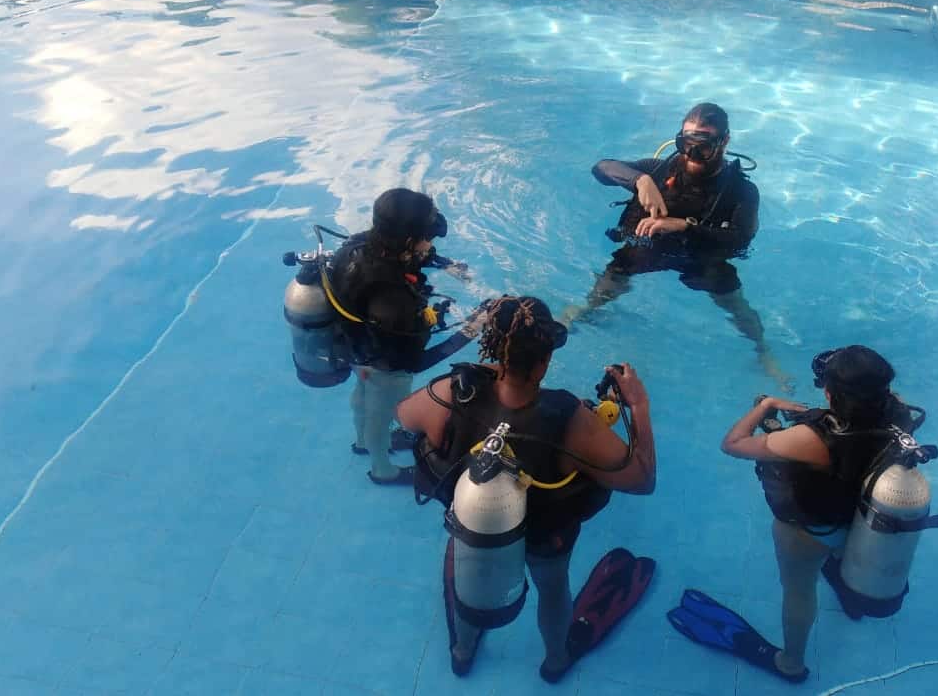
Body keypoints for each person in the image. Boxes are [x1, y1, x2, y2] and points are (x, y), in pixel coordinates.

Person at [396, 296, 657, 680]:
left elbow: (404, 416)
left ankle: (463, 650)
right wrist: (639, 406)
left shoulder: (454, 393)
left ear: (492, 347)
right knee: (552, 591)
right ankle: (555, 662)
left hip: (475, 526)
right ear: (544, 360)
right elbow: (641, 479)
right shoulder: (571, 420)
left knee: (469, 579)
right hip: (544, 538)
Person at [717, 345, 924, 681]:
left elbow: (733, 444)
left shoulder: (809, 440)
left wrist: (767, 405)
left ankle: (791, 663)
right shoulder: (901, 416)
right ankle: (853, 593)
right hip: (864, 521)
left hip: (811, 534)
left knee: (798, 589)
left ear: (829, 393)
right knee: (841, 554)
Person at [563, 102, 790, 390]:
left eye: (703, 145)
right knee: (600, 293)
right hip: (645, 250)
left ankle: (763, 352)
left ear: (724, 142)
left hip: (701, 258)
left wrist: (684, 226)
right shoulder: (657, 172)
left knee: (737, 307)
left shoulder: (741, 191)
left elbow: (740, 238)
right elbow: (601, 168)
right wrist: (640, 180)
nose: (692, 154)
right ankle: (579, 312)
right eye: (686, 143)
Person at [328, 187, 482, 485]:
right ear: (409, 241)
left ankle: (362, 442)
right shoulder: (395, 305)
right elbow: (416, 361)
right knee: (382, 411)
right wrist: (470, 330)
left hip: (352, 347)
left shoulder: (357, 245)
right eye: (428, 238)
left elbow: (403, 257)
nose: (430, 243)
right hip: (384, 363)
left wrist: (443, 263)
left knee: (363, 397)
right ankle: (382, 469)